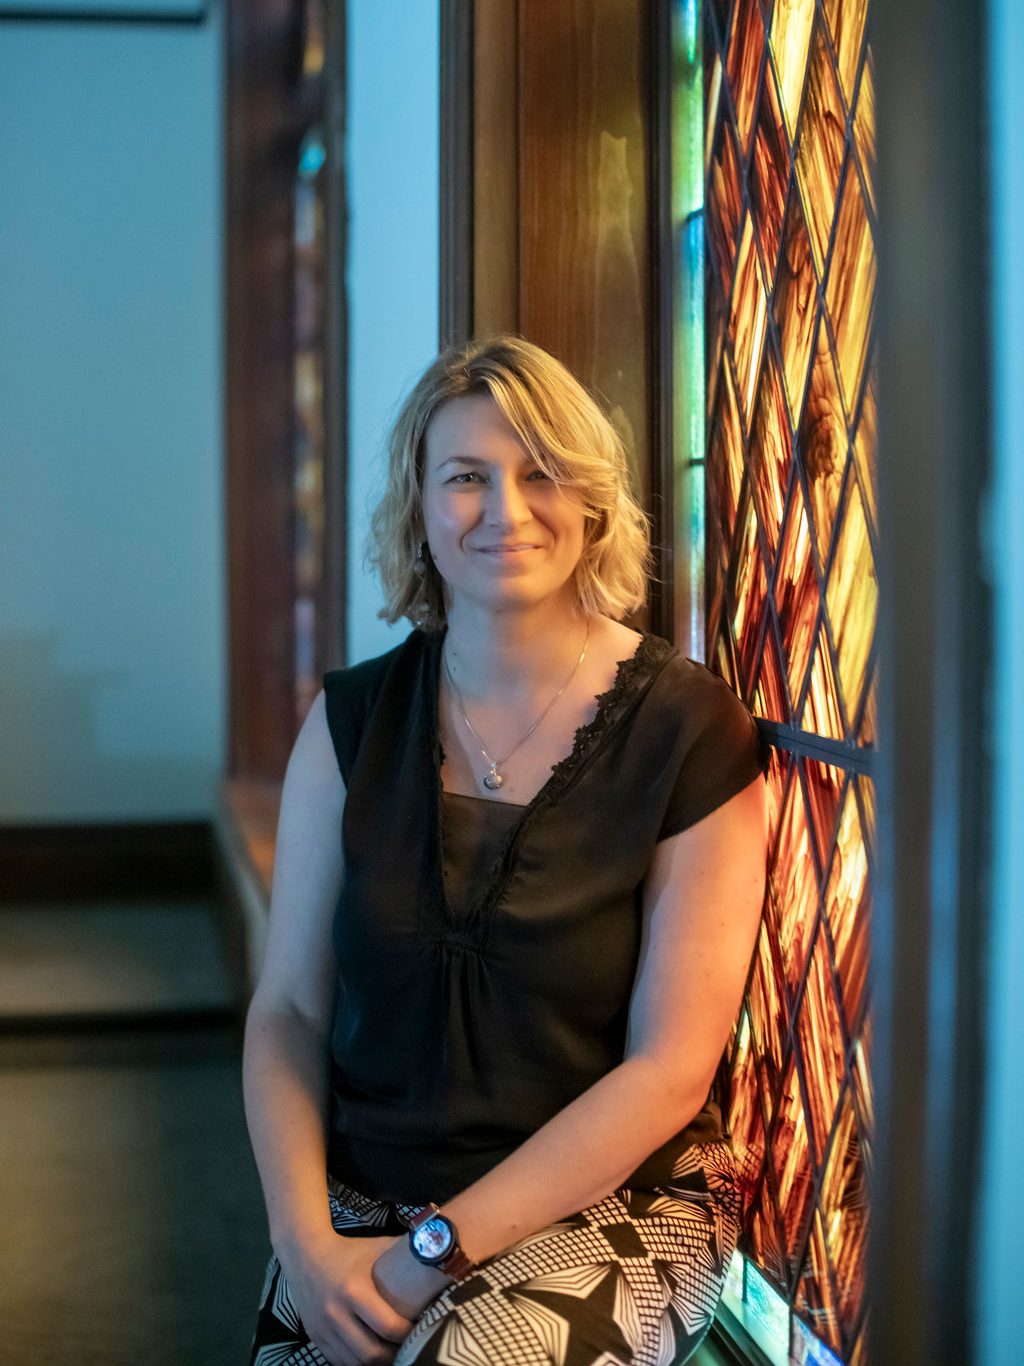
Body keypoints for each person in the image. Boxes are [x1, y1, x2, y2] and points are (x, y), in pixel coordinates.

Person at [244, 335, 769, 1366]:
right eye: (466, 477)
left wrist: (429, 1256)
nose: (507, 509)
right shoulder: (352, 720)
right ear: (419, 505)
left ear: (591, 499)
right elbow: (290, 1009)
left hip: (618, 1200)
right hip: (366, 1187)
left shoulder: (688, 728)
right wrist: (302, 1243)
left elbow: (668, 1070)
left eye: (541, 473)